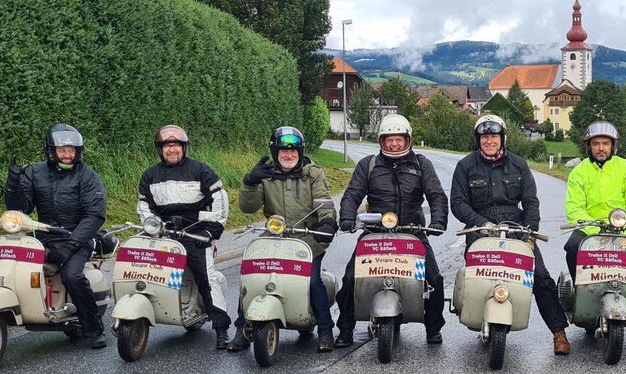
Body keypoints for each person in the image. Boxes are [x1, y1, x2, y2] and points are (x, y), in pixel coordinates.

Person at [450, 114, 572, 355]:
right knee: (478, 275)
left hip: (515, 226)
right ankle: (482, 319)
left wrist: (529, 233)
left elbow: (530, 202)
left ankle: (559, 332)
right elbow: (458, 203)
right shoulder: (465, 166)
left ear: (502, 138)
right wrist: (480, 222)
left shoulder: (519, 165)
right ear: (478, 140)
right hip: (481, 228)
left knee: (540, 277)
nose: (489, 141)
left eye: (494, 136)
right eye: (484, 137)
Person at [335, 113, 448, 346]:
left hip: (412, 231)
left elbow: (436, 194)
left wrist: (438, 221)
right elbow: (353, 193)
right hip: (375, 232)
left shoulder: (420, 164)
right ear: (381, 141)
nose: (394, 144)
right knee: (350, 277)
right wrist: (347, 216)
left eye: (399, 139)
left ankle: (433, 327)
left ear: (408, 140)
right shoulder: (368, 165)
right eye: (389, 139)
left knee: (433, 277)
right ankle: (345, 330)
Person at [228, 126, 338, 352]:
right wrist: (250, 182)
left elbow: (324, 202)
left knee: (314, 281)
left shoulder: (312, 173)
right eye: (283, 151)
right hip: (274, 236)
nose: (289, 155)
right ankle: (241, 330)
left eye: (293, 151)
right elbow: (248, 207)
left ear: (300, 152)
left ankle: (325, 331)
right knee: (251, 277)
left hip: (307, 238)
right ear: (275, 153)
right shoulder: (265, 175)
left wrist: (327, 222)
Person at [5, 123, 108, 348]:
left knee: (72, 276)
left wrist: (70, 246)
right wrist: (13, 184)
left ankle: (93, 330)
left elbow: (95, 215)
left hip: (78, 237)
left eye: (71, 150)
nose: (67, 155)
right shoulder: (35, 172)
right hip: (43, 236)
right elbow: (21, 209)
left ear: (78, 152)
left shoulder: (87, 175)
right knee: (14, 267)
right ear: (51, 150)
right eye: (62, 150)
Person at [563, 121, 626, 352]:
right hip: (591, 230)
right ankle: (583, 299)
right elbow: (574, 207)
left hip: (624, 231)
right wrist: (595, 230)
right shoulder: (579, 172)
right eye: (596, 144)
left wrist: (624, 226)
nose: (601, 148)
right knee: (572, 248)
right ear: (588, 147)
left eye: (605, 143)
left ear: (614, 146)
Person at [137, 125, 232, 349]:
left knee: (205, 277)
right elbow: (144, 206)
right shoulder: (150, 175)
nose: (172, 150)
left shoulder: (200, 170)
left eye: (176, 145)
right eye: (167, 146)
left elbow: (220, 201)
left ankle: (221, 329)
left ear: (184, 148)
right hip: (164, 234)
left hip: (194, 234)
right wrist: (152, 226)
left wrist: (211, 231)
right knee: (143, 268)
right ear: (160, 149)